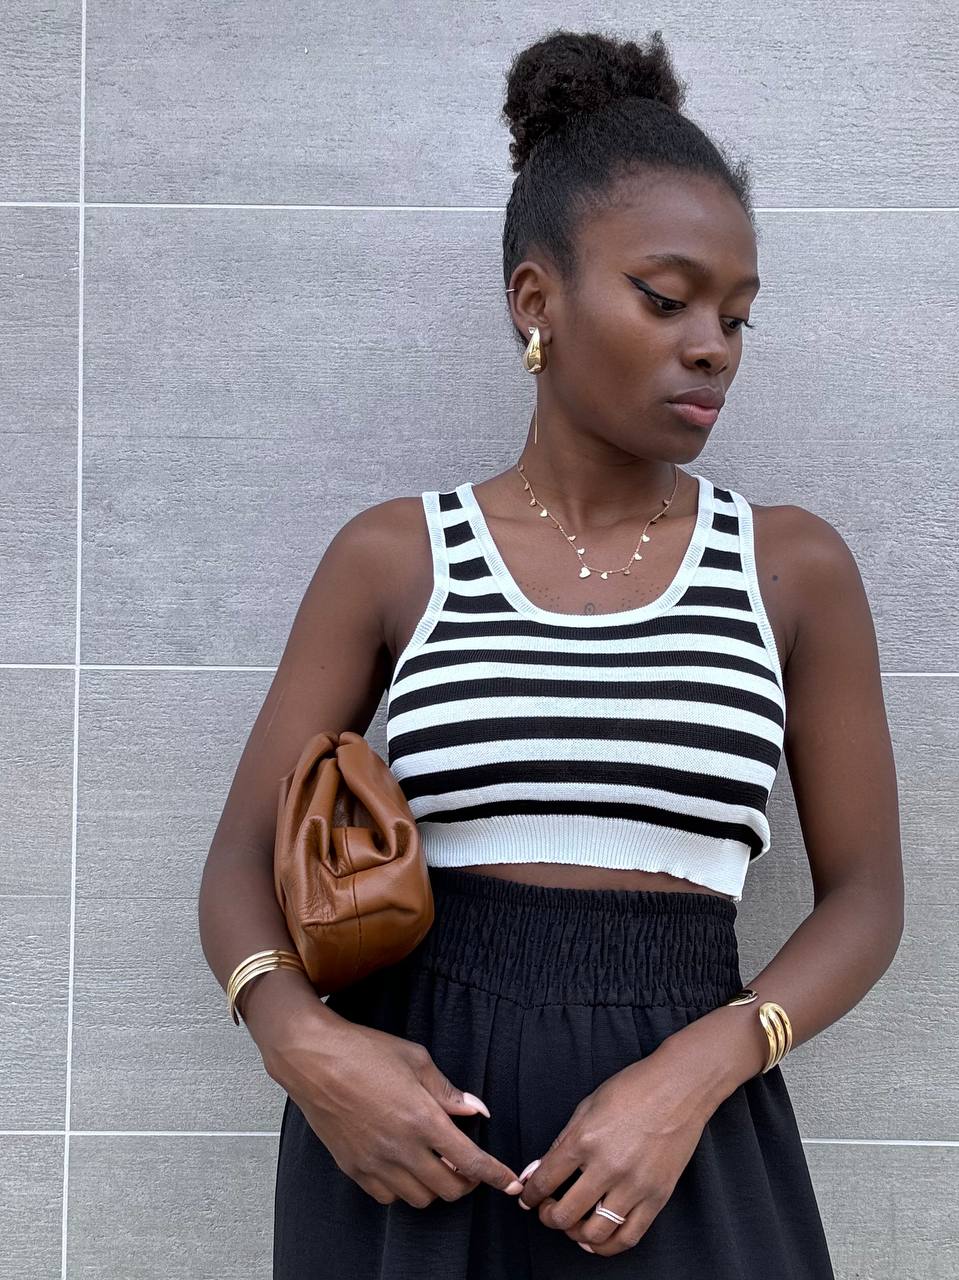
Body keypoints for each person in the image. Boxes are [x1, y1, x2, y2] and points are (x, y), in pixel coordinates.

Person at [197, 26, 904, 1278]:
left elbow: (865, 897)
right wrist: (306, 1048)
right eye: (665, 297)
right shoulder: (395, 555)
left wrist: (699, 1067)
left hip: (680, 1138)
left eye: (736, 315)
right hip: (412, 1147)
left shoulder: (790, 566)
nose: (711, 343)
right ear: (535, 300)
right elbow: (237, 866)